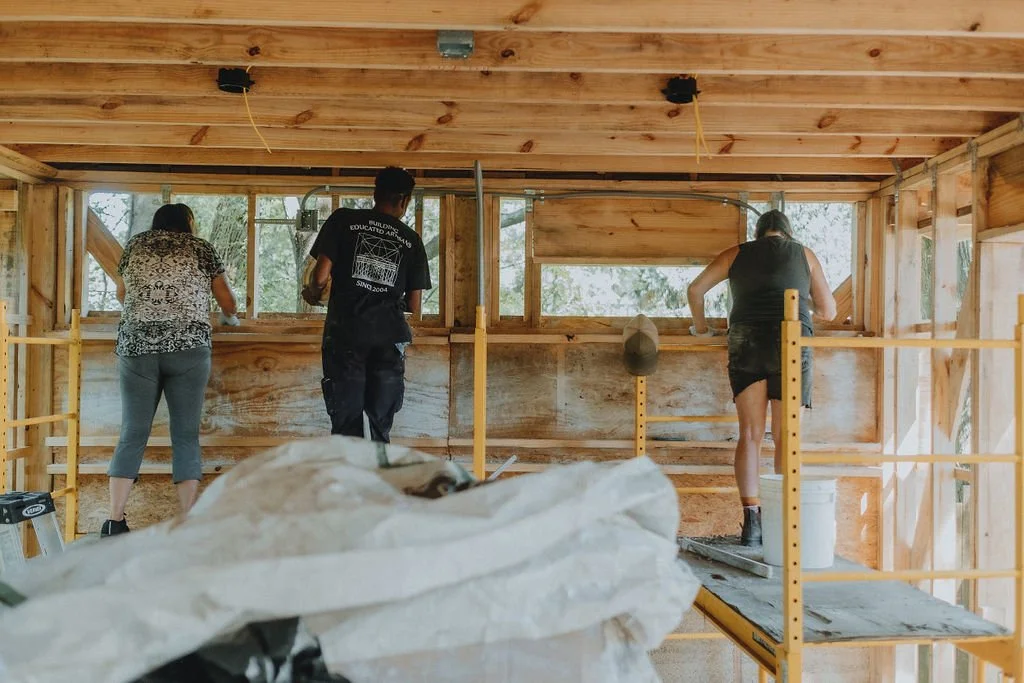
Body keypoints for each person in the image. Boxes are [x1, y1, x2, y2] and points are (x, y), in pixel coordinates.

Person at [686, 209, 836, 546]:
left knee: (751, 434)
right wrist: (803, 300)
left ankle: (752, 523)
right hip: (791, 341)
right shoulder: (804, 255)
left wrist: (702, 329)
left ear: (757, 233)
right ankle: (785, 520)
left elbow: (695, 290)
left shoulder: (736, 253)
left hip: (747, 340)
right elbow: (829, 310)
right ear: (787, 233)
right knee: (786, 436)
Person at [102, 203, 238, 537]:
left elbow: (122, 293)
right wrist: (227, 316)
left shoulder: (135, 245)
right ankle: (187, 521)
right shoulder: (201, 248)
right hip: (188, 347)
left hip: (137, 348)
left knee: (132, 433)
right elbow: (228, 302)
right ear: (188, 222)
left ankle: (114, 520)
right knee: (185, 435)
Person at [302, 167, 431, 443]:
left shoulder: (343, 220)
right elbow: (414, 305)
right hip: (389, 338)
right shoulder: (412, 241)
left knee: (346, 427)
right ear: (405, 200)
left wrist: (312, 293)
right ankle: (377, 470)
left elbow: (320, 277)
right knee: (379, 427)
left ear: (375, 193)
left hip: (345, 334)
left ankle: (349, 471)